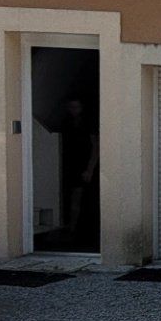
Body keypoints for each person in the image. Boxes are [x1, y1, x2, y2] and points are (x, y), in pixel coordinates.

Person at [59, 96, 99, 245]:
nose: (73, 111)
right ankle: (70, 228)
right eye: (71, 107)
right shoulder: (66, 123)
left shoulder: (88, 123)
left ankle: (76, 230)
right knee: (69, 198)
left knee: (81, 198)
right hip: (70, 164)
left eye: (76, 107)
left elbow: (95, 146)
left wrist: (90, 169)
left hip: (84, 165)